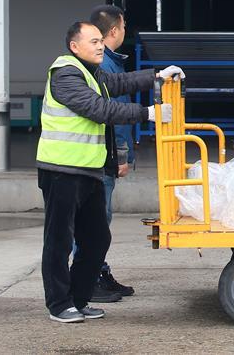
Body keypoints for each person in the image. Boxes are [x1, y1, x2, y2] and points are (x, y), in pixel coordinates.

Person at [37, 21, 183, 323]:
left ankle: (78, 299)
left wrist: (156, 77)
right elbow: (99, 108)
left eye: (101, 40)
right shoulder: (65, 75)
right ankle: (59, 304)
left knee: (96, 239)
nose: (100, 45)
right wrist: (148, 114)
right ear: (75, 47)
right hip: (61, 170)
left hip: (88, 170)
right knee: (59, 240)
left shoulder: (93, 73)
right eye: (93, 41)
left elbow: (119, 84)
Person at [84, 5, 138, 301]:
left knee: (100, 220)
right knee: (95, 221)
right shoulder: (105, 65)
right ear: (114, 30)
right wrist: (121, 154)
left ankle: (98, 272)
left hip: (102, 157)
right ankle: (89, 279)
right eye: (124, 26)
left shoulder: (110, 63)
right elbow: (112, 114)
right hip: (100, 159)